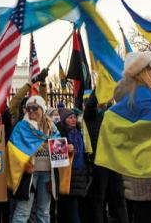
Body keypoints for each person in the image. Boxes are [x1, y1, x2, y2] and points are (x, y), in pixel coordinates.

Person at [95, 51, 151, 223]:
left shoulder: (139, 94)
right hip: (146, 171)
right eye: (150, 68)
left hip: (148, 169)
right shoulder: (142, 95)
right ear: (140, 72)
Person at [10, 95, 59, 223]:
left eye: (35, 108)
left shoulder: (52, 127)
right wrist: (24, 164)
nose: (31, 111)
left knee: (44, 212)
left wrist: (68, 149)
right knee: (23, 212)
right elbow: (12, 150)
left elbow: (58, 145)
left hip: (48, 173)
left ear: (42, 109)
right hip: (28, 175)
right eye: (28, 108)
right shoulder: (21, 126)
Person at [84, 90, 129, 223]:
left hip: (115, 162)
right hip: (100, 163)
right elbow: (90, 104)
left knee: (119, 196)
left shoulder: (114, 115)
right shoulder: (90, 116)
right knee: (99, 198)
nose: (106, 101)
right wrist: (100, 86)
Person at [56, 108, 91, 223]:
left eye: (74, 117)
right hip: (68, 175)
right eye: (70, 118)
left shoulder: (80, 132)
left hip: (80, 174)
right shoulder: (60, 132)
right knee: (72, 210)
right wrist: (66, 148)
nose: (74, 119)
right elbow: (55, 152)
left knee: (79, 209)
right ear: (64, 120)